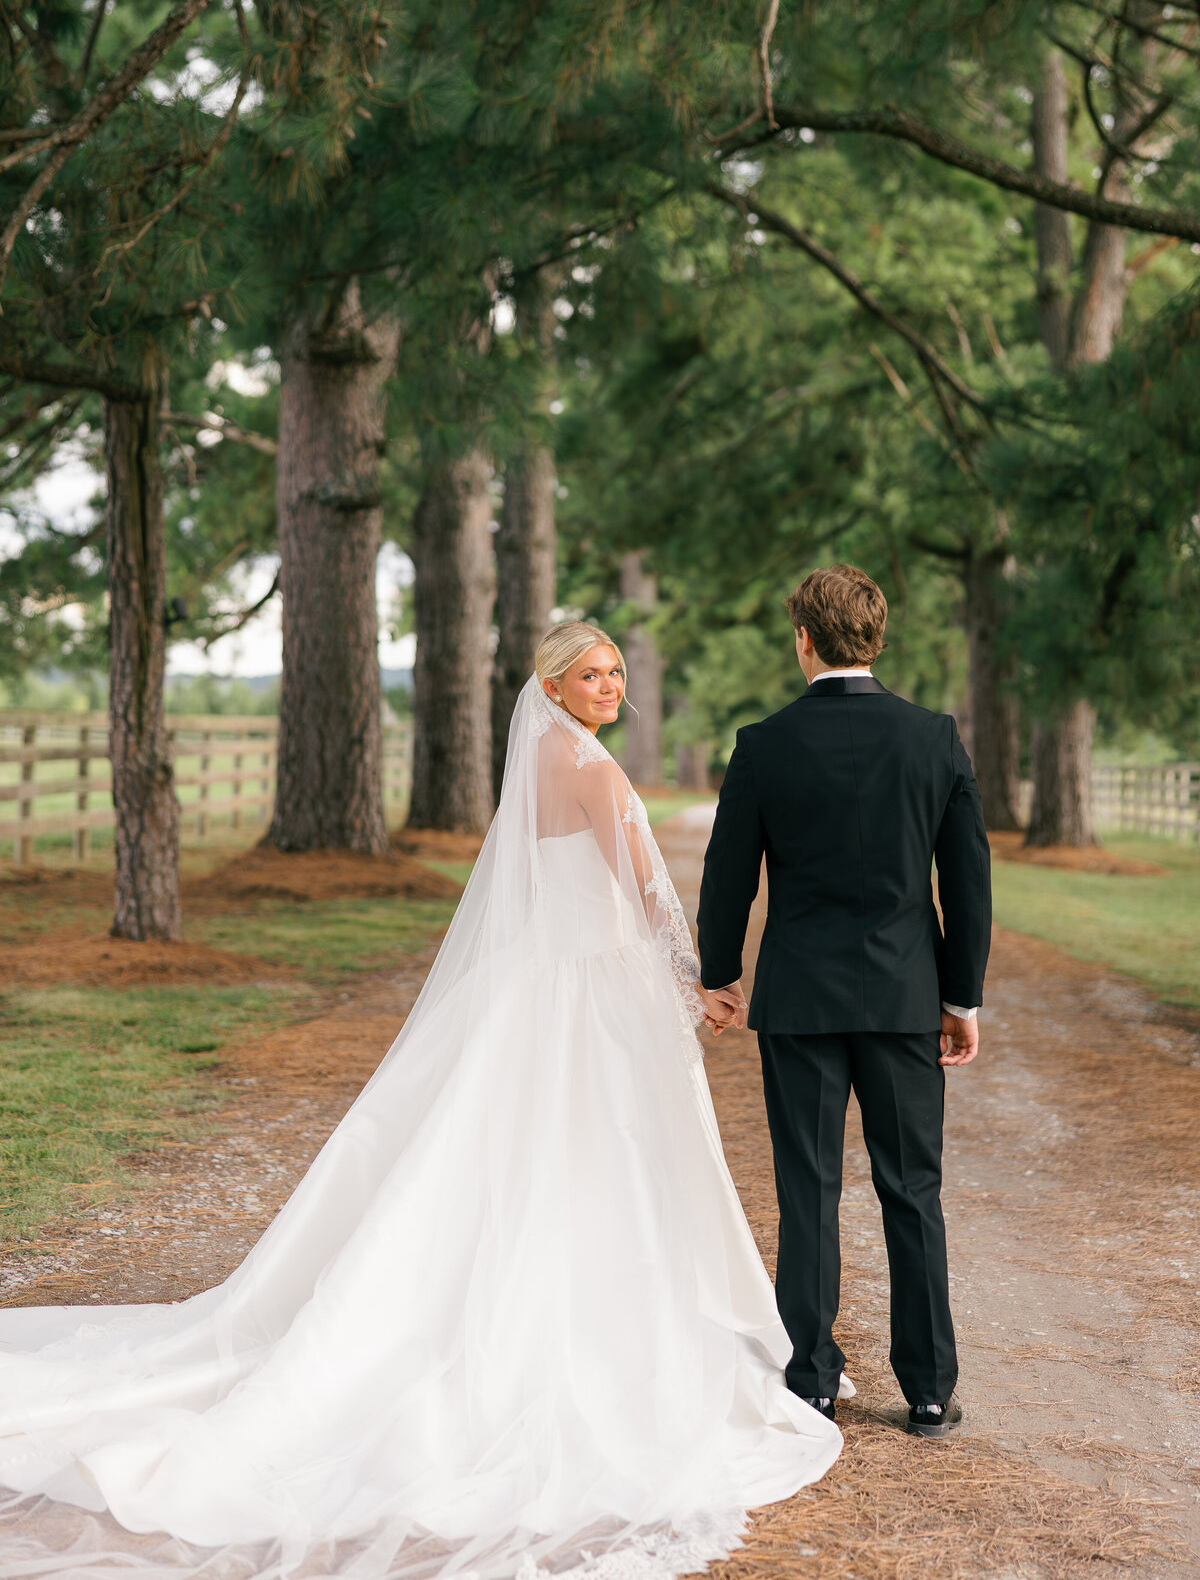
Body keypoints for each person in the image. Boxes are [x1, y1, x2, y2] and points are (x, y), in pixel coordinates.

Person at [0, 623, 840, 1580]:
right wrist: (699, 985)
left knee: (513, 1153)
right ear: (555, 687)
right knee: (601, 1156)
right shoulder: (595, 772)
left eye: (614, 673)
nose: (611, 686)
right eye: (592, 675)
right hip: (592, 990)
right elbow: (644, 895)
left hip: (538, 983)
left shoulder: (541, 761)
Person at [697, 566, 991, 1439]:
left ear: (804, 640)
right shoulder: (933, 738)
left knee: (809, 1188)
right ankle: (929, 1388)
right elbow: (967, 881)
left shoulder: (764, 744)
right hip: (905, 998)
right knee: (912, 1188)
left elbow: (727, 875)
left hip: (799, 999)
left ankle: (813, 1379)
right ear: (877, 636)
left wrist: (720, 972)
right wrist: (961, 996)